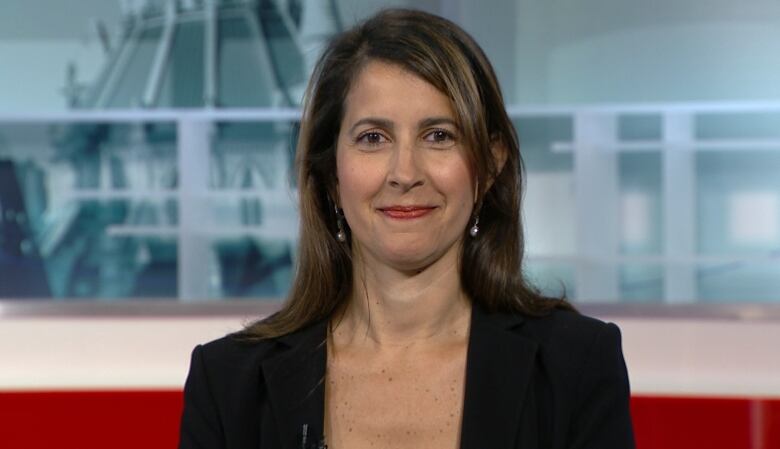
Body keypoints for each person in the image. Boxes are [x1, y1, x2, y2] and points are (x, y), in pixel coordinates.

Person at [179, 8, 635, 449]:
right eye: (373, 138)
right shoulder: (227, 384)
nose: (404, 172)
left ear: (489, 166)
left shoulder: (575, 366)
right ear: (331, 174)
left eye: (439, 135)